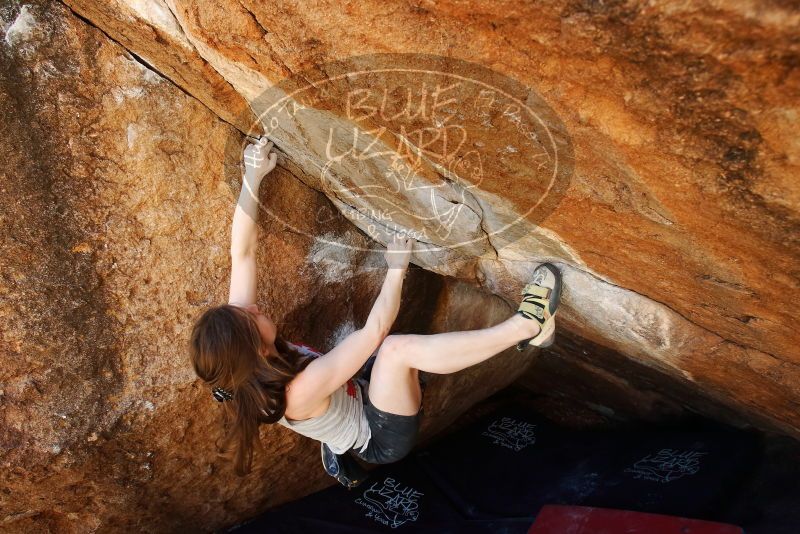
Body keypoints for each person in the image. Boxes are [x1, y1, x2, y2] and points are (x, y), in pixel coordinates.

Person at [189, 138, 562, 479]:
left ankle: (334, 436)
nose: (251, 307)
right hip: (379, 432)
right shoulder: (298, 392)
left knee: (372, 354)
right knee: (397, 351)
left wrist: (252, 174)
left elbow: (242, 254)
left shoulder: (243, 355)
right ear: (254, 347)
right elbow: (376, 331)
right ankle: (529, 326)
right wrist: (396, 268)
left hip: (352, 386)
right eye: (250, 316)